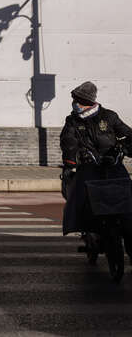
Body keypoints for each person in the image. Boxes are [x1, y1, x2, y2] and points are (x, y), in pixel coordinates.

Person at [60, 81, 132, 258]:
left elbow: (127, 135)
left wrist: (127, 147)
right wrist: (71, 162)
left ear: (88, 101)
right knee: (80, 199)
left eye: (78, 100)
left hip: (113, 166)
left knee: (128, 205)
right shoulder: (73, 121)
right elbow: (68, 142)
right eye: (74, 100)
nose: (75, 104)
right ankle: (89, 232)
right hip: (89, 169)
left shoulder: (109, 117)